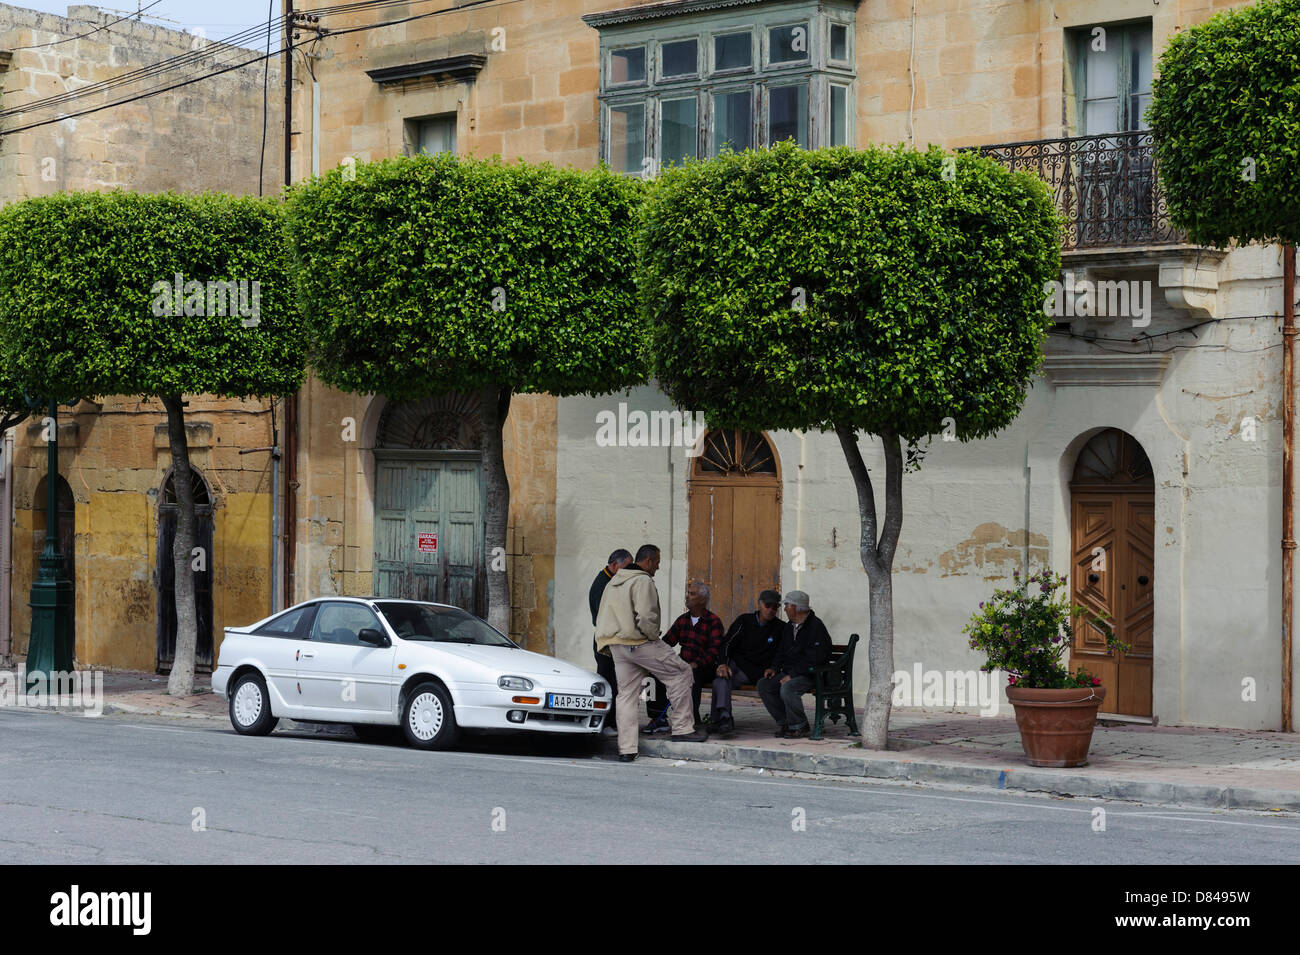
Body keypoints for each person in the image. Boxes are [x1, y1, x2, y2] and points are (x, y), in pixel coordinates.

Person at [595, 544, 708, 761]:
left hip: (616, 646)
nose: (657, 567)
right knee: (681, 672)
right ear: (647, 561)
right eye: (656, 562)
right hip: (639, 642)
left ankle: (627, 749)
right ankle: (683, 728)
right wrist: (652, 636)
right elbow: (646, 616)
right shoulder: (642, 580)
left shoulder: (613, 582)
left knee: (627, 695)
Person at [757, 590, 832, 739]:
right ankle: (786, 723)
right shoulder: (789, 626)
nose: (784, 608)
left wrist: (792, 675)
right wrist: (774, 668)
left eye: (787, 605)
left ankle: (799, 725)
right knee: (764, 685)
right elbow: (781, 651)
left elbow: (815, 658)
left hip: (811, 674)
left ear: (796, 607)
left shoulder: (815, 627)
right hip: (791, 672)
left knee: (788, 688)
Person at [709, 589, 784, 736]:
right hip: (736, 665)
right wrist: (723, 663)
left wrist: (774, 667)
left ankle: (719, 720)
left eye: (775, 607)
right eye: (768, 605)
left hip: (755, 672)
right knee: (721, 678)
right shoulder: (745, 621)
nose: (770, 610)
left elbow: (782, 653)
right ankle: (724, 719)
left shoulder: (780, 627)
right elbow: (727, 643)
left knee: (722, 681)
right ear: (759, 604)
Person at [650, 581, 724, 727]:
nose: (687, 597)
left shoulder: (713, 621)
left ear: (702, 600)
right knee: (653, 674)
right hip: (683, 664)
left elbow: (715, 650)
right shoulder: (682, 620)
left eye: (692, 594)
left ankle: (691, 718)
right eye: (688, 593)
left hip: (704, 667)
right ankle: (657, 718)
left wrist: (697, 663)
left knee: (691, 676)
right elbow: (667, 642)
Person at [590, 549, 633, 735]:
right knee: (609, 683)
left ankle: (613, 723)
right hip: (605, 642)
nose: (628, 571)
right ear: (614, 565)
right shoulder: (603, 584)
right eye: (626, 566)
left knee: (616, 683)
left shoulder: (612, 581)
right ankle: (605, 723)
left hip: (611, 640)